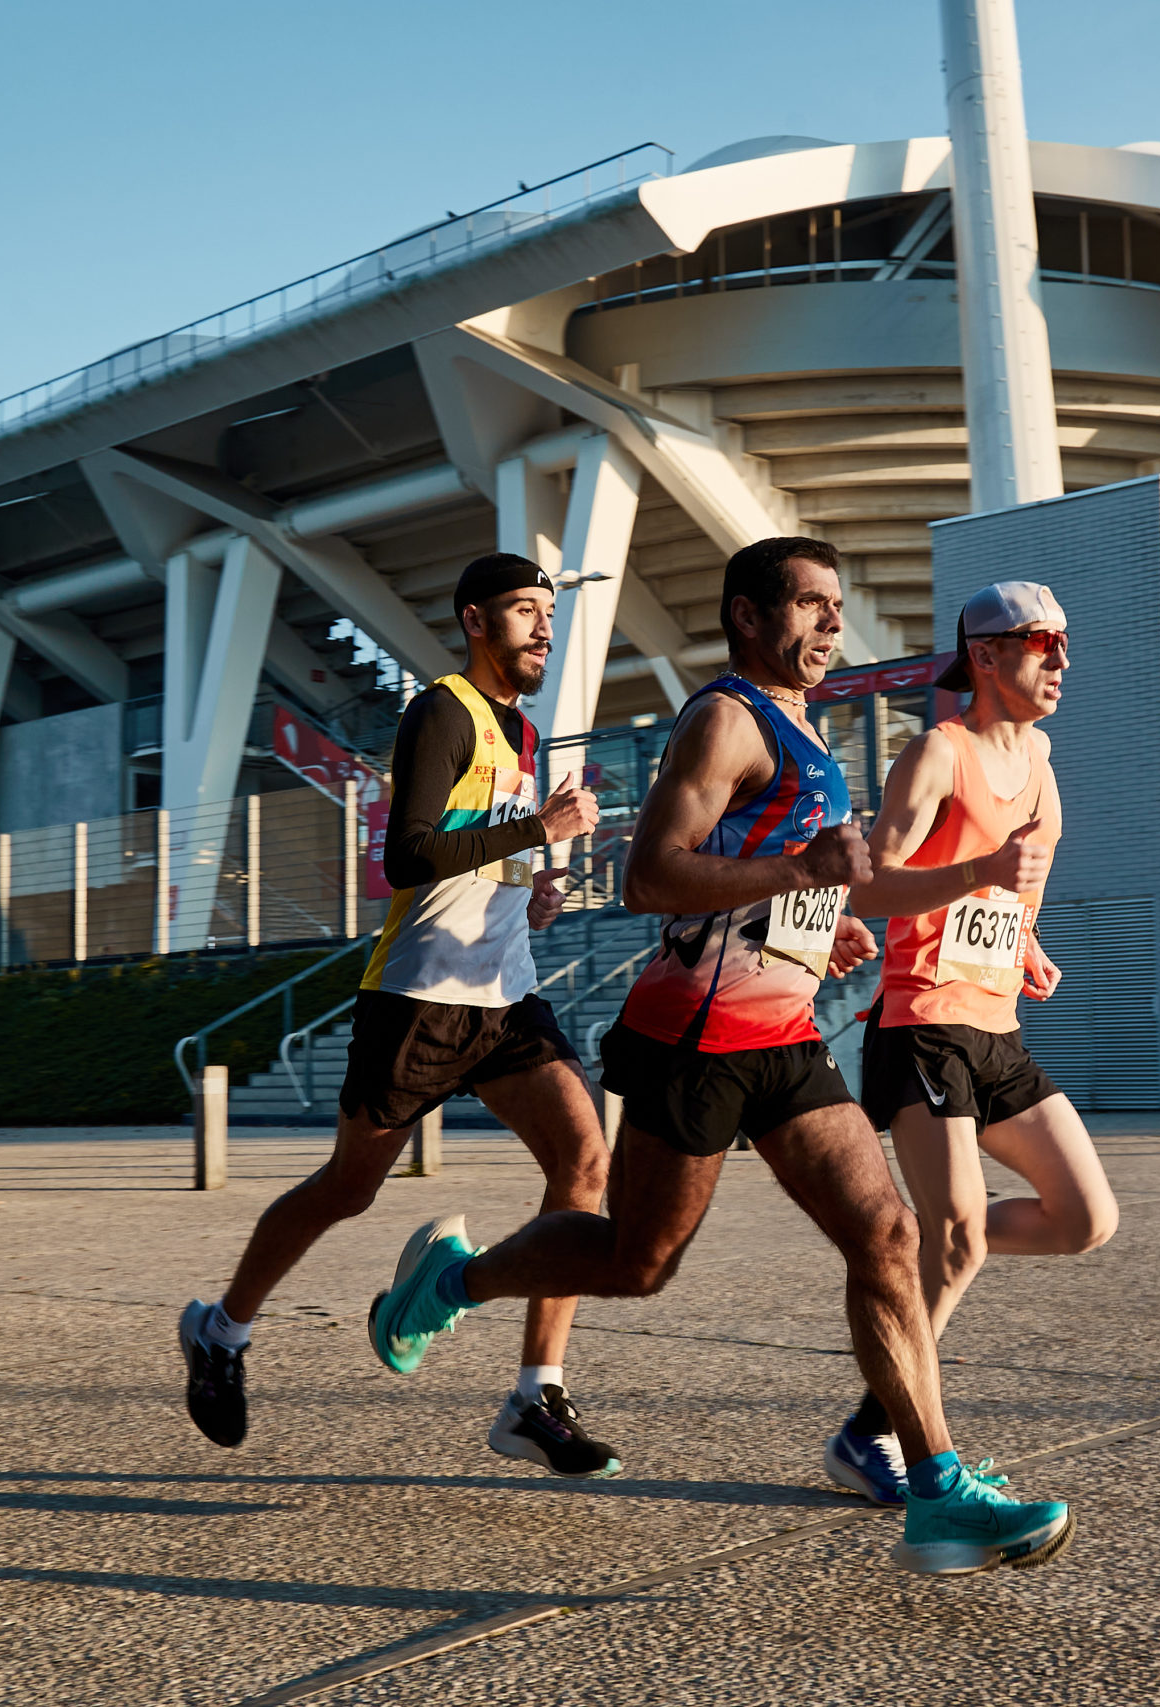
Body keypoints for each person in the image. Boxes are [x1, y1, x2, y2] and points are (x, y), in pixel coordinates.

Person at [363, 537, 1073, 1577]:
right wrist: (797, 868)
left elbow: (806, 881)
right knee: (635, 1262)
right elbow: (651, 876)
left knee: (885, 1235)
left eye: (837, 606)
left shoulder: (803, 731)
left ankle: (938, 1493)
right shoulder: (725, 720)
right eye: (812, 606)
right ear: (749, 616)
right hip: (688, 1040)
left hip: (780, 1031)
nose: (834, 623)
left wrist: (835, 912)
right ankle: (455, 1280)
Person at [178, 552, 623, 1477]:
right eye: (522, 612)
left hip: (504, 992)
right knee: (348, 1187)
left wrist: (530, 891)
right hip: (417, 995)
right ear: (474, 621)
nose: (544, 626)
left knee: (585, 1160)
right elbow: (410, 856)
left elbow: (481, 857)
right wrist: (540, 832)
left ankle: (536, 1392)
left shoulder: (523, 736)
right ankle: (221, 1332)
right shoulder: (442, 711)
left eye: (548, 611)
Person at [821, 582, 1117, 1506]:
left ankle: (917, 1258)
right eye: (1040, 643)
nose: (1060, 660)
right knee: (956, 1237)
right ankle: (874, 1432)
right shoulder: (935, 755)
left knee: (1083, 1219)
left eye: (1065, 642)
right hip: (922, 1030)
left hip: (999, 1035)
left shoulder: (1044, 767)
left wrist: (1027, 944)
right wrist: (977, 871)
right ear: (984, 657)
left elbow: (1012, 900)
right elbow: (871, 889)